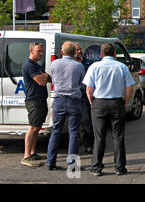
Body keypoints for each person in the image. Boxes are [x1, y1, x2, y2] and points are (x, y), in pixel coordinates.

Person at [83, 43, 134, 176]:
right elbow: (129, 88)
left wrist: (91, 102)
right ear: (114, 54)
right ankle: (120, 167)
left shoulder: (94, 67)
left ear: (101, 54)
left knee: (99, 137)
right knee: (118, 136)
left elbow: (89, 89)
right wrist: (125, 102)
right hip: (116, 102)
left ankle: (96, 167)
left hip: (99, 103)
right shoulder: (122, 67)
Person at [46, 41, 85, 171]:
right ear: (75, 52)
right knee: (74, 133)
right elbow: (82, 84)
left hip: (59, 100)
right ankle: (72, 165)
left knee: (56, 131)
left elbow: (53, 79)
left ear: (62, 52)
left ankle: (50, 162)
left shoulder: (54, 63)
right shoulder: (78, 66)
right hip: (74, 100)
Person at [21, 42, 51, 167]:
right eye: (39, 51)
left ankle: (33, 153)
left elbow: (49, 78)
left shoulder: (36, 65)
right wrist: (44, 76)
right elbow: (42, 82)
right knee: (33, 128)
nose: (41, 53)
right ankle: (26, 156)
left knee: (37, 127)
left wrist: (44, 76)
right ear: (31, 51)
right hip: (34, 100)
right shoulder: (30, 65)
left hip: (40, 100)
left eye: (42, 51)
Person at [73, 43, 94, 153]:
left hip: (84, 96)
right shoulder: (70, 63)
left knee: (87, 122)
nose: (78, 51)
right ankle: (74, 146)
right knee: (74, 124)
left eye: (80, 49)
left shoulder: (87, 63)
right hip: (72, 97)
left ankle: (88, 144)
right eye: (76, 49)